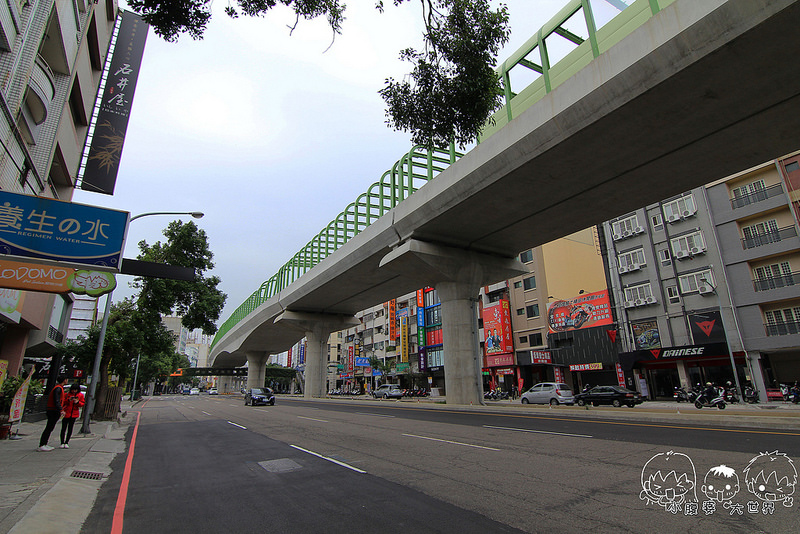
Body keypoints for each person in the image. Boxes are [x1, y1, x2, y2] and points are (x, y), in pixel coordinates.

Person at [38, 375, 67, 452]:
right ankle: (42, 444)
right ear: (64, 380)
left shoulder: (58, 388)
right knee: (49, 427)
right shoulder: (58, 388)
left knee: (50, 427)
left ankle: (44, 443)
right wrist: (61, 409)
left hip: (53, 409)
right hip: (53, 410)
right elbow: (56, 400)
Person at [59, 384, 85, 449]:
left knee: (70, 428)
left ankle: (66, 442)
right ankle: (62, 442)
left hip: (74, 414)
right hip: (66, 413)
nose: (74, 391)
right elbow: (62, 402)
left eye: (75, 390)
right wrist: (68, 400)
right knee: (63, 428)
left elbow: (82, 404)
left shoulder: (80, 395)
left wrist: (77, 402)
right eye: (73, 390)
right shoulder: (67, 395)